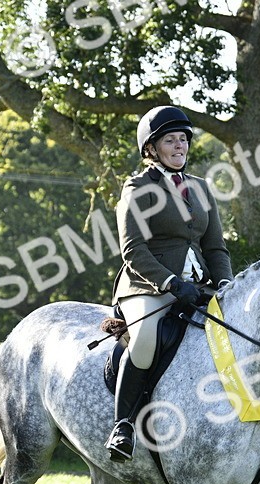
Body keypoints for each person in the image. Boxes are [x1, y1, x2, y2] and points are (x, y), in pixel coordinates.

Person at [106, 105, 233, 461]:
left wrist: (225, 283)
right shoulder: (138, 188)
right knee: (145, 337)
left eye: (183, 140)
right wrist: (171, 283)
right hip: (147, 286)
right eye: (169, 140)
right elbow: (133, 249)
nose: (179, 146)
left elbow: (215, 246)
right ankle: (124, 427)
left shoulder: (201, 188)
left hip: (200, 285)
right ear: (151, 148)